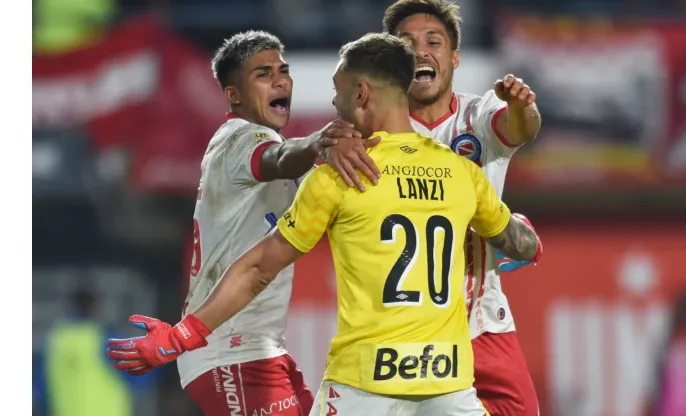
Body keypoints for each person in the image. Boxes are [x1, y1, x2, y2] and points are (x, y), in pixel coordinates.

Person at [106, 33, 542, 415]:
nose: (333, 102)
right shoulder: (462, 173)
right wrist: (521, 237)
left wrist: (182, 334)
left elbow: (259, 268)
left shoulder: (342, 173)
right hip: (447, 384)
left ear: (362, 94)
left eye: (338, 91)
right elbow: (518, 242)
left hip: (364, 381)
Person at [108, 30, 379, 416]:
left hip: (259, 349)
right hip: (228, 348)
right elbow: (281, 156)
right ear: (233, 95)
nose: (281, 80)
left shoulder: (263, 148)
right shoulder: (239, 139)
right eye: (263, 74)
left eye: (283, 71)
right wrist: (318, 140)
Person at [382, 1, 542, 414]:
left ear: (454, 57)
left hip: (483, 320)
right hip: (408, 330)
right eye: (406, 43)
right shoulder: (376, 133)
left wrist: (522, 107)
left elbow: (519, 127)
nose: (421, 51)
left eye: (433, 41)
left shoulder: (480, 114)